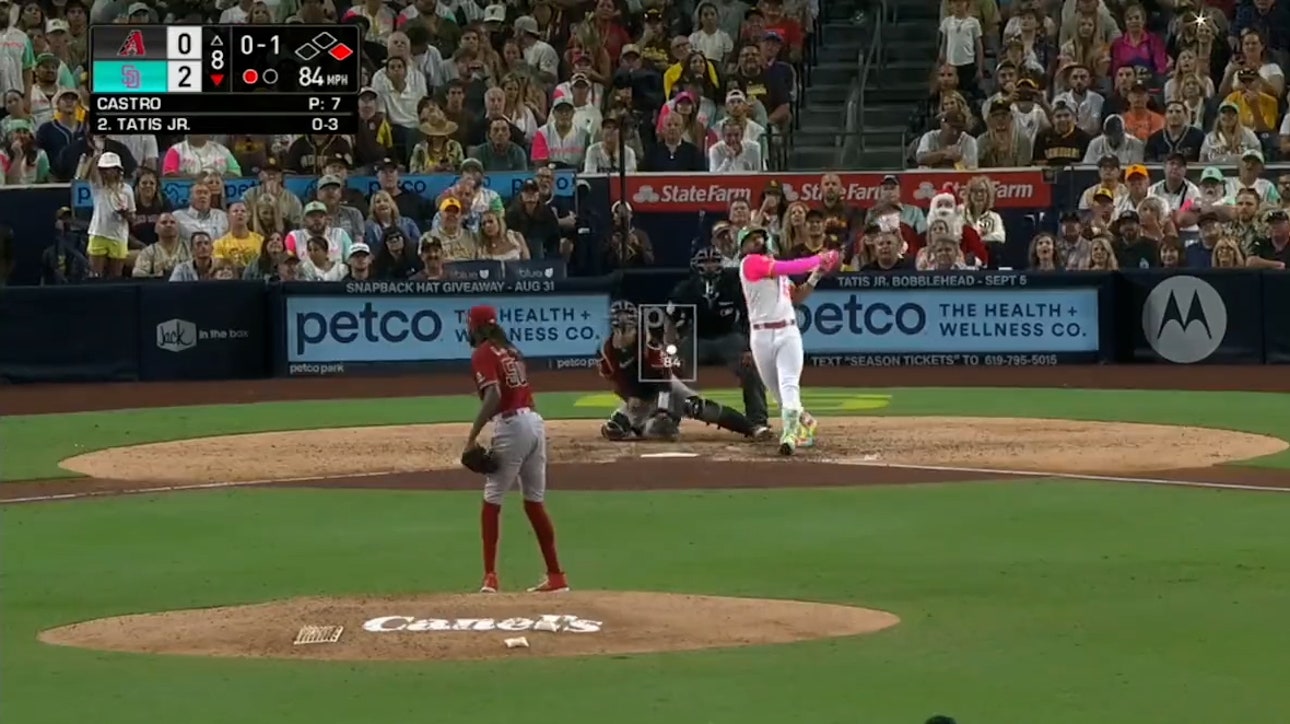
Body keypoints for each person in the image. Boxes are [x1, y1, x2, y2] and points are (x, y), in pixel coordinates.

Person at [464, 304, 568, 594]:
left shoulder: (483, 352)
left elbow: (494, 394)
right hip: (535, 423)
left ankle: (490, 577)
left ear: (476, 326)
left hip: (511, 425)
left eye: (469, 324)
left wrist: (472, 437)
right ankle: (557, 576)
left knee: (492, 499)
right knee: (534, 501)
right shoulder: (511, 350)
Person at [737, 227, 839, 455]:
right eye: (751, 240)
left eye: (759, 237)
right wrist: (818, 259)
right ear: (742, 247)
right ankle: (807, 422)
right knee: (777, 393)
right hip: (761, 335)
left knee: (789, 384)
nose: (757, 241)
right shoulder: (750, 263)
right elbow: (790, 266)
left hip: (787, 332)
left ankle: (789, 436)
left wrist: (817, 273)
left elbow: (798, 296)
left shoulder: (779, 274)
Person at [666, 246, 771, 435]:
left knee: (751, 367)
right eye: (705, 262)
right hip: (697, 339)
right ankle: (667, 418)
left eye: (714, 261)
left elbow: (751, 317)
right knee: (670, 368)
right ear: (696, 265)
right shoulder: (685, 289)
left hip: (729, 338)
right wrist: (670, 349)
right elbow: (670, 321)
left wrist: (750, 348)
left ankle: (758, 421)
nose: (710, 266)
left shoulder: (735, 286)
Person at [78, 148, 134, 278]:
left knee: (116, 276)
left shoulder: (127, 189)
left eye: (111, 168)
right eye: (104, 169)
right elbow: (90, 173)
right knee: (95, 275)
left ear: (117, 170)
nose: (107, 172)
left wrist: (125, 215)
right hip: (98, 233)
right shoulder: (98, 187)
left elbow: (133, 217)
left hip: (119, 236)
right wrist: (97, 152)